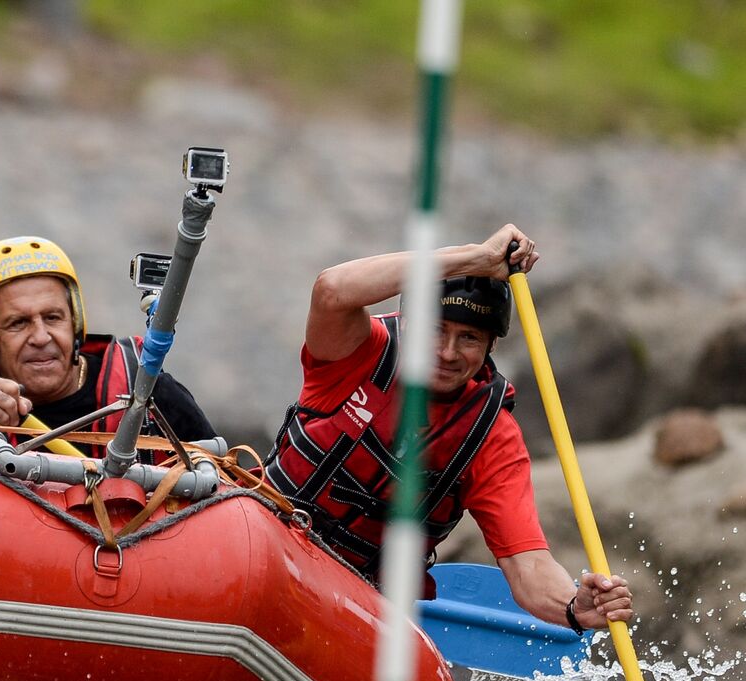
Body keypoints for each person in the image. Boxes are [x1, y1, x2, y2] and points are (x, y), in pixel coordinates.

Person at [262, 224, 632, 632]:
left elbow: (527, 564)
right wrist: (475, 258)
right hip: (266, 544)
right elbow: (332, 289)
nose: (448, 352)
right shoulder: (359, 353)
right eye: (436, 329)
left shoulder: (492, 438)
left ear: (491, 346)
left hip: (355, 598)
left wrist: (571, 607)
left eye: (469, 337)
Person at [0, 236, 214, 457]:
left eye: (53, 318)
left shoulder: (151, 393)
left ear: (75, 322)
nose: (40, 337)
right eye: (17, 323)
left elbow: (229, 487)